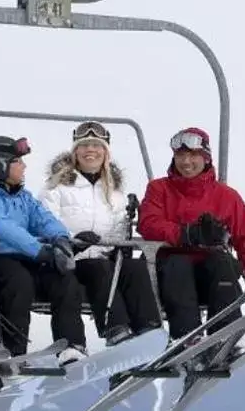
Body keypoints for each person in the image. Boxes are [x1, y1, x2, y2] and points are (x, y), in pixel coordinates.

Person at [136, 125, 245, 340]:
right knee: (178, 264)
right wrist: (187, 234)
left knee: (223, 262)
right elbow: (148, 223)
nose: (186, 162)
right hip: (171, 275)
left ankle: (223, 336)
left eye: (193, 155)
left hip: (211, 278)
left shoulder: (227, 197)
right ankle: (187, 337)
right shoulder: (159, 189)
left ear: (206, 158)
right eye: (180, 155)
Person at [0, 134, 88, 362]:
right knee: (18, 283)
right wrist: (40, 251)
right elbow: (1, 226)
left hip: (27, 257)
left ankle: (72, 345)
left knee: (65, 278)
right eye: (17, 161)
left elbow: (42, 218)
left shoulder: (22, 196)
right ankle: (13, 350)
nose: (24, 166)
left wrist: (61, 239)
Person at [38, 120, 162, 346]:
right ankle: (116, 329)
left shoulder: (115, 194)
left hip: (103, 257)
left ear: (105, 153)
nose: (90, 151)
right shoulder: (56, 188)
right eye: (84, 146)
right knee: (99, 267)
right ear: (75, 152)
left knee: (134, 267)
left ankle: (149, 328)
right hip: (71, 259)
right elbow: (44, 221)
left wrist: (124, 228)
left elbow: (117, 234)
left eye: (97, 146)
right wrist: (73, 241)